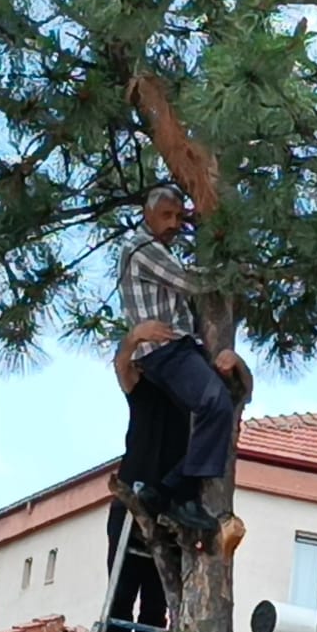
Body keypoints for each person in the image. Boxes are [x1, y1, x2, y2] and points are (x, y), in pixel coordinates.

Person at [117, 185, 240, 533]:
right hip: (166, 349)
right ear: (147, 214)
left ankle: (167, 492)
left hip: (174, 348)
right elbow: (188, 281)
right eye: (166, 215)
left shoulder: (155, 249)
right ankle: (178, 493)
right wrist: (235, 270)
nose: (174, 224)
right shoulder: (141, 248)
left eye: (179, 217)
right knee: (215, 402)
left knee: (208, 413)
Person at [99, 319, 185, 632]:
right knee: (122, 588)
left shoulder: (193, 399)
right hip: (131, 499)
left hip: (171, 505)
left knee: (156, 597)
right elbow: (122, 366)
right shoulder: (143, 387)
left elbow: (237, 393)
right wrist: (135, 337)